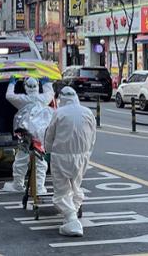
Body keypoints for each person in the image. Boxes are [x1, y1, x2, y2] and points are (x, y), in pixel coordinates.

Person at [44, 86, 97, 237]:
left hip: (61, 156)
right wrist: (87, 153)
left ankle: (72, 219)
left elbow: (50, 135)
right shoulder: (87, 112)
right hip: (82, 156)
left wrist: (48, 152)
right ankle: (70, 216)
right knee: (76, 186)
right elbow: (93, 136)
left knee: (61, 190)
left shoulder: (58, 113)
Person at [2, 76, 54, 194]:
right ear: (37, 87)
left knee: (21, 159)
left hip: (26, 135)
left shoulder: (22, 99)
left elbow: (9, 96)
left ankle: (18, 185)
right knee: (40, 161)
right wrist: (46, 83)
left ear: (25, 87)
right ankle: (39, 187)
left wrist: (12, 83)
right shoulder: (43, 98)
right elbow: (50, 93)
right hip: (40, 135)